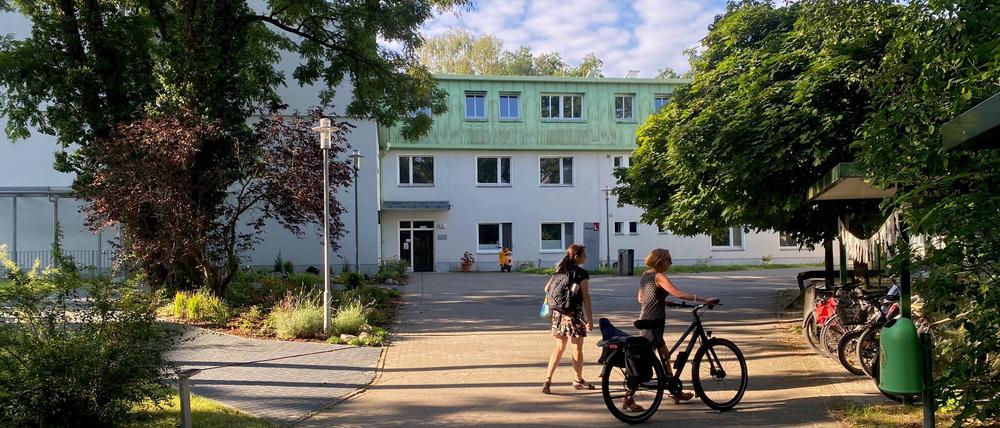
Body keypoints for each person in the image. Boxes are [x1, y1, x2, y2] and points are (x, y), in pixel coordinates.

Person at [627, 248, 718, 410]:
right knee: (644, 360)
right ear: (660, 260)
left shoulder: (645, 275)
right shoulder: (659, 276)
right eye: (669, 259)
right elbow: (678, 293)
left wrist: (661, 301)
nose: (671, 262)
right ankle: (628, 398)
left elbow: (641, 298)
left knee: (664, 355)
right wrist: (704, 300)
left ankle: (674, 391)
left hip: (646, 318)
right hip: (654, 322)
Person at [542, 244, 594, 394]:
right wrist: (590, 319)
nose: (586, 257)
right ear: (576, 256)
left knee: (559, 348)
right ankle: (578, 379)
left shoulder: (560, 270)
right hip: (574, 315)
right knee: (577, 348)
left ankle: (547, 379)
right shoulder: (581, 273)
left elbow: (546, 289)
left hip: (558, 314)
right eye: (584, 254)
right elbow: (586, 297)